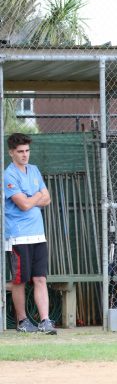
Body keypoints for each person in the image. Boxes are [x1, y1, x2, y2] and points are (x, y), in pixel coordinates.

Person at [4, 133, 56, 334]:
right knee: (20, 280)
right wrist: (35, 197)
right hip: (18, 236)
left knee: (40, 278)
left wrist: (30, 198)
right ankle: (22, 321)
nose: (25, 155)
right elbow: (24, 204)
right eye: (20, 152)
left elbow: (47, 199)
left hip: (38, 235)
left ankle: (45, 321)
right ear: (11, 153)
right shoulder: (8, 175)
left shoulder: (34, 170)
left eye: (27, 151)